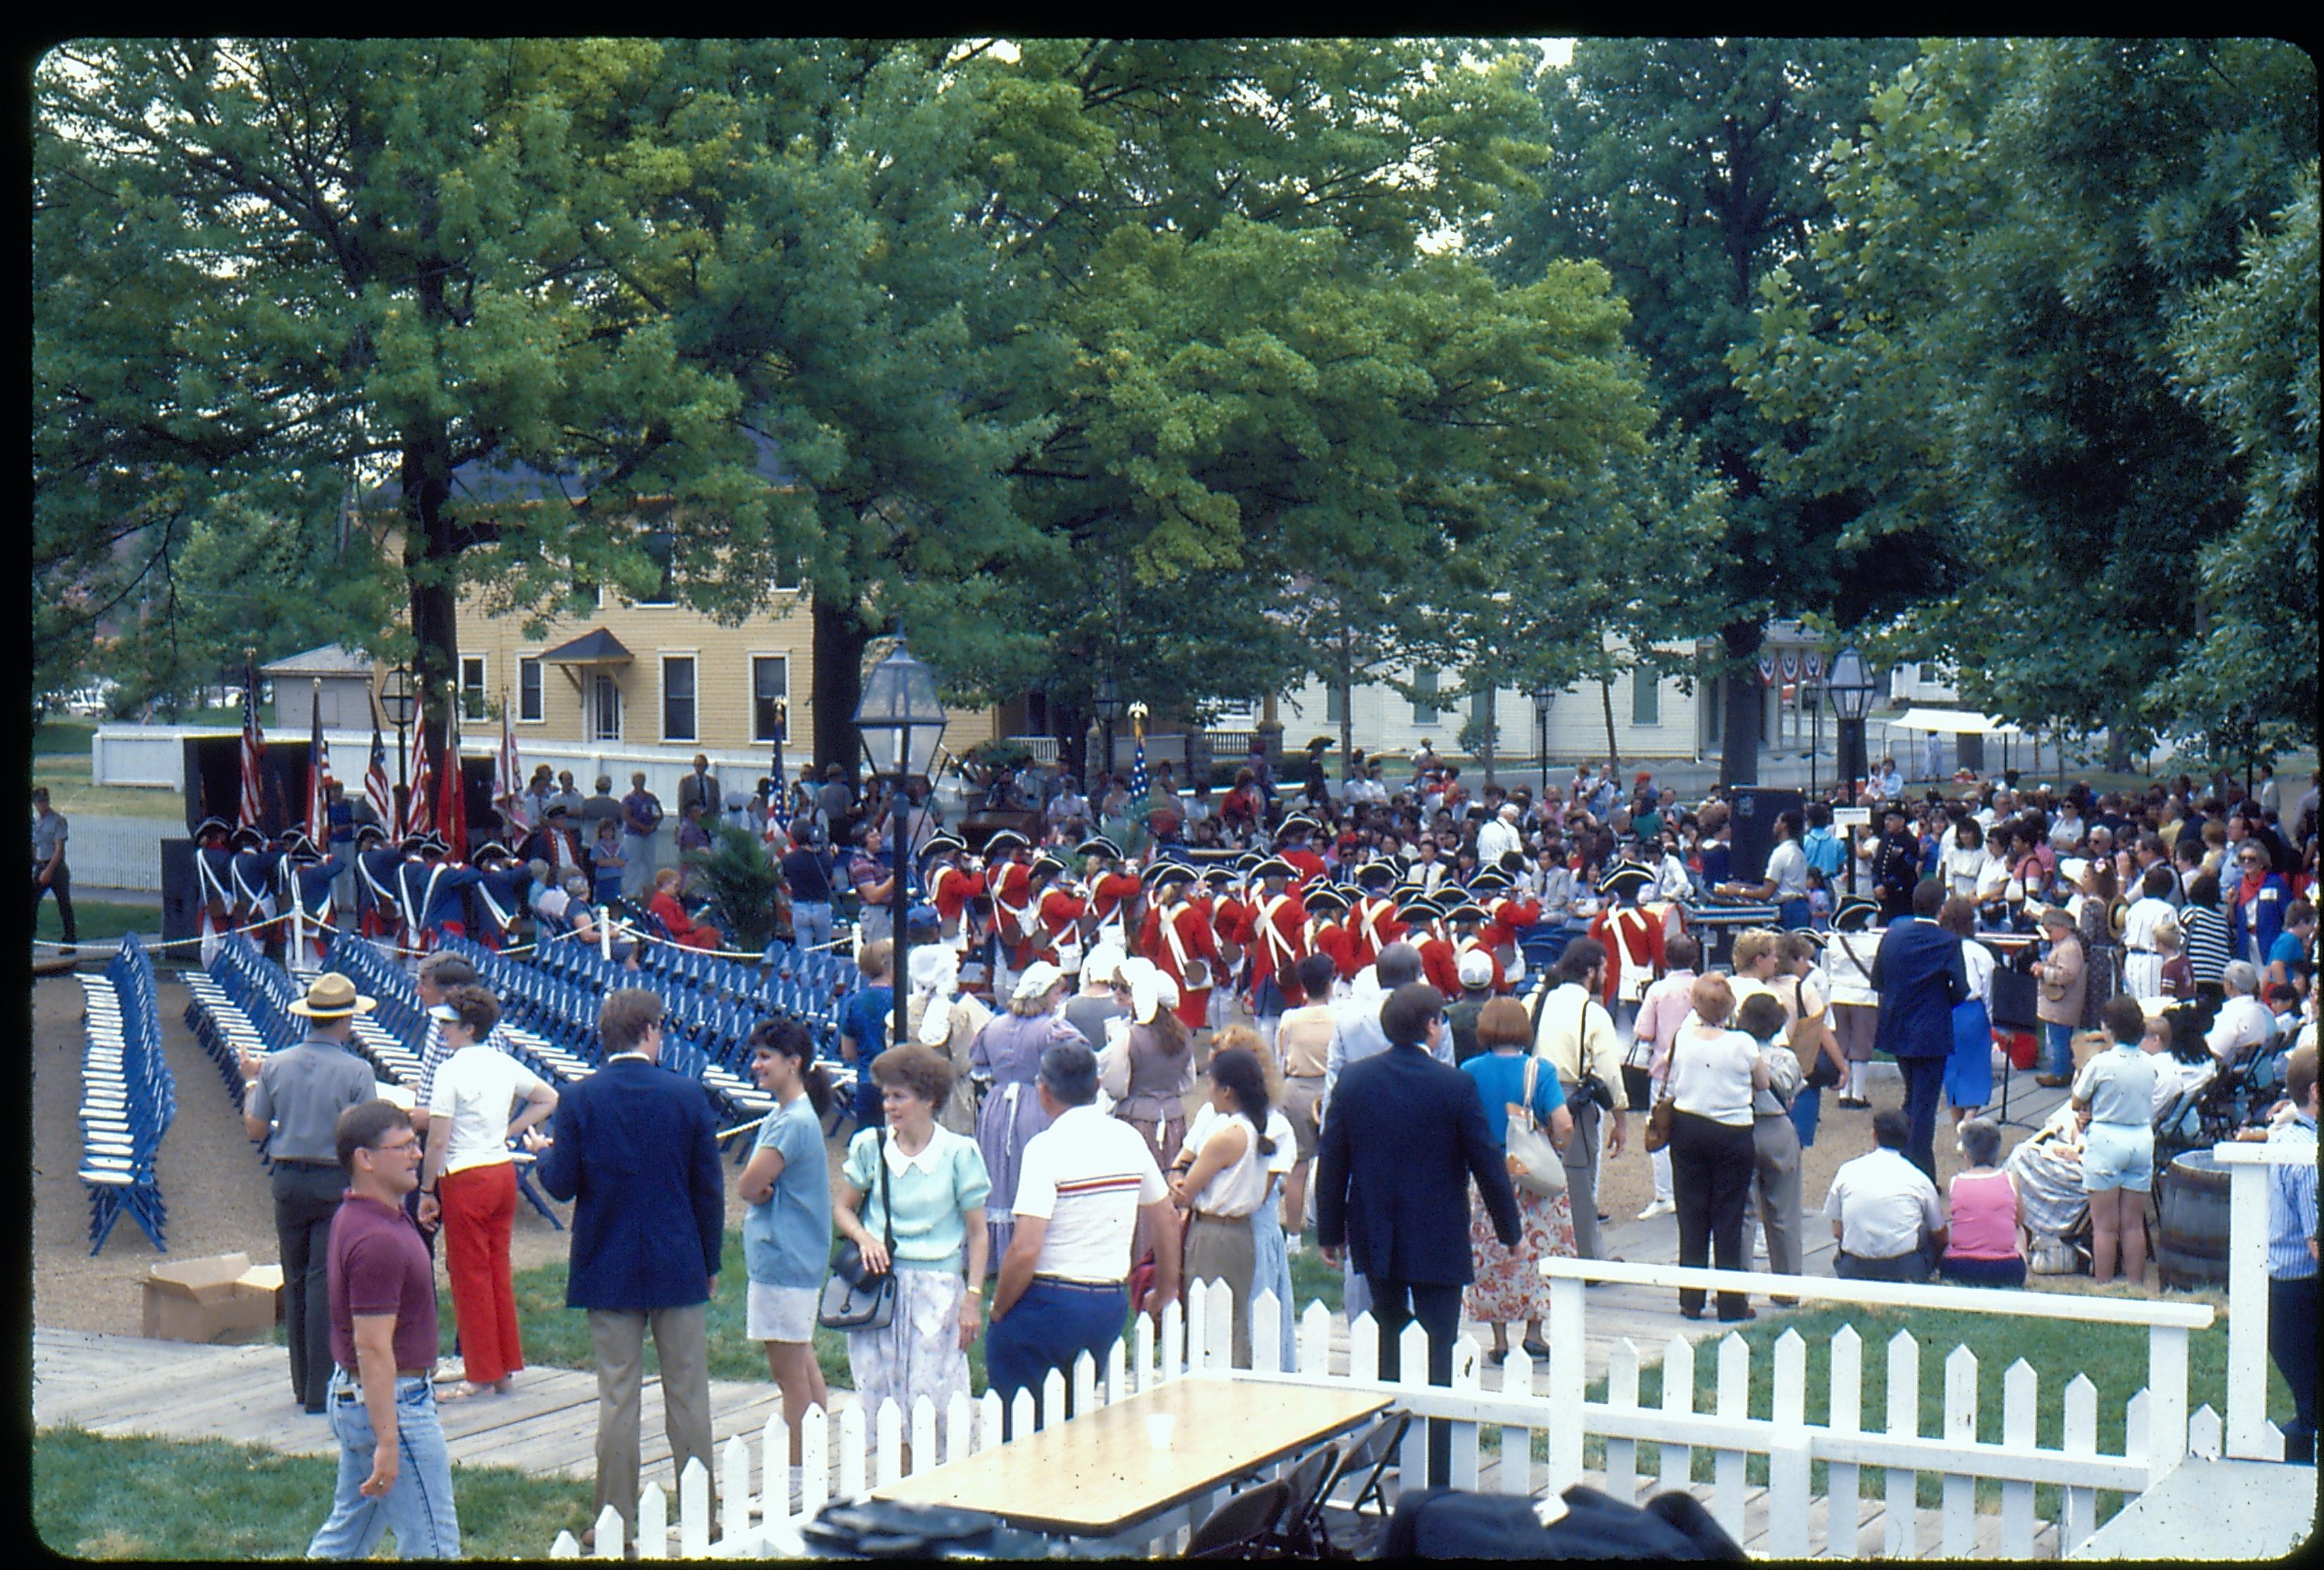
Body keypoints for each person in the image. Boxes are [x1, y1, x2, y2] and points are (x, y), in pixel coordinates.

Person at [534, 989, 724, 1543]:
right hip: (677, 1258)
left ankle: (612, 1516)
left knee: (618, 1395)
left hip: (608, 1262)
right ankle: (700, 1514)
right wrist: (709, 1260)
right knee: (688, 1391)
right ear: (649, 1029)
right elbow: (708, 1190)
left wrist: (544, 1153)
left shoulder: (579, 1097)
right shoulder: (687, 1095)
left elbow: (562, 1184)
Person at [1318, 982, 1520, 1486]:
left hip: (1376, 1224)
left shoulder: (1356, 1080)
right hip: (1437, 1227)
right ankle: (1439, 1458)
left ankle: (1391, 1447)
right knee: (1441, 1342)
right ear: (1432, 1025)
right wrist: (1508, 1228)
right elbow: (1486, 1163)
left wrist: (1329, 1230)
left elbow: (1333, 1162)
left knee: (1387, 1329)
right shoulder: (1453, 1085)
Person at [987, 1040, 1181, 1432]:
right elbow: (1165, 1216)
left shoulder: (1046, 1148)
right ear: (1097, 1085)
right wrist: (1166, 1287)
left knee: (1019, 1423)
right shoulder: (1127, 1138)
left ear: (1044, 1090)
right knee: (1071, 1419)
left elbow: (1025, 1249)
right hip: (1108, 1302)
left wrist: (998, 1307)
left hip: (1050, 1299)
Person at [304, 1100, 460, 1558]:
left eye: (415, 1144)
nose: (416, 1155)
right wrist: (388, 1441)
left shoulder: (369, 1217)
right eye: (403, 1147)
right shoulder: (377, 1240)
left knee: (348, 1536)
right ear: (365, 1159)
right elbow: (372, 1347)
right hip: (393, 1403)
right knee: (433, 1544)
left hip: (359, 1398)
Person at [835, 1044, 990, 1471]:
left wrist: (972, 1298)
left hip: (937, 1290)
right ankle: (897, 1488)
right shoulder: (871, 1146)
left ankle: (937, 1486)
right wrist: (864, 1238)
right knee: (882, 1395)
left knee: (931, 1398)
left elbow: (978, 1234)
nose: (889, 1106)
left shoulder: (959, 1153)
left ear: (929, 1100)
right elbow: (843, 1207)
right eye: (885, 1096)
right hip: (881, 1287)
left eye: (899, 1097)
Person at [241, 972, 382, 1415]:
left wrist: (250, 1082)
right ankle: (321, 1388)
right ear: (346, 1022)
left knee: (296, 1277)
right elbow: (365, 1135)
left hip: (288, 1177)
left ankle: (301, 1383)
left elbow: (256, 1128)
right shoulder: (357, 1070)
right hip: (333, 1179)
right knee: (324, 1282)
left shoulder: (276, 1065)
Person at [415, 984, 557, 1400]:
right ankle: (504, 1366)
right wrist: (506, 1133)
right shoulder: (503, 1062)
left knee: (469, 1275)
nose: (443, 1030)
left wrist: (427, 1189)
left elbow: (438, 1141)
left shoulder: (451, 1071)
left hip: (464, 1175)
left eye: (450, 1024)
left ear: (469, 1027)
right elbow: (548, 1098)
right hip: (500, 1171)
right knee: (496, 1271)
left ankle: (480, 1372)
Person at [736, 1019, 833, 1507]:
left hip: (783, 1260)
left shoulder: (791, 1121)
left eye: (766, 1057)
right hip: (797, 1258)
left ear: (793, 1062)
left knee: (789, 1377)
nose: (756, 1065)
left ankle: (795, 1482)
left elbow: (749, 1185)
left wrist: (760, 1190)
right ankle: (814, 1468)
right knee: (805, 1364)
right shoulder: (797, 1116)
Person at [1460, 996, 1574, 1365]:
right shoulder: (1539, 1071)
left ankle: (1499, 1339)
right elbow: (1564, 1122)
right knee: (1541, 1252)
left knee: (1493, 1253)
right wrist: (1558, 1148)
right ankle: (1535, 1334)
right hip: (1532, 1176)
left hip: (1488, 1170)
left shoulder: (1470, 1070)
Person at [1665, 974, 1770, 1321]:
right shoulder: (1743, 1043)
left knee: (1691, 1215)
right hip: (1732, 1130)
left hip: (1689, 1125)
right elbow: (1763, 1082)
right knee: (1729, 1216)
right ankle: (1731, 1302)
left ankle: (1690, 1299)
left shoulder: (1683, 1038)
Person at [1169, 1043, 1277, 1368]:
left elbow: (1185, 1192)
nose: (1209, 1092)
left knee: (1208, 1316)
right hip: (1239, 1233)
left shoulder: (1226, 1137)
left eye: (1212, 1085)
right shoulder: (1253, 1128)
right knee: (1232, 1314)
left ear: (1227, 1090)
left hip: (1214, 1232)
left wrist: (1176, 1180)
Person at [971, 961, 1079, 1261]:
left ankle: (997, 1252)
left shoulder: (993, 1026)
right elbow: (1079, 1059)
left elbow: (980, 1068)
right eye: (1057, 994)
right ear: (1044, 995)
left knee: (999, 1175)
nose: (1059, 1000)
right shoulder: (1052, 1029)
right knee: (1031, 1175)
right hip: (1036, 1105)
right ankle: (1031, 1249)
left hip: (996, 1108)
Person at [1529, 938, 1628, 1261]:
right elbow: (1611, 1073)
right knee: (1580, 1181)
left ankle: (1546, 1249)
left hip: (1539, 1093)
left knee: (1540, 1177)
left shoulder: (1542, 1001)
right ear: (1590, 971)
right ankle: (1588, 1258)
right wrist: (1620, 1117)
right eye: (1603, 968)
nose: (1606, 974)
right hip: (1574, 1098)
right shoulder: (1593, 1013)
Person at [1873, 879, 1969, 1177]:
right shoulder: (1947, 941)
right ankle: (1920, 1172)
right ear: (1941, 909)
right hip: (1931, 1031)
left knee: (1913, 1097)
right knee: (1924, 1105)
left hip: (1898, 1027)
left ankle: (1897, 1155)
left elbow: (1877, 980)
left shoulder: (1892, 936)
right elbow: (1962, 989)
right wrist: (1943, 1002)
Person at [2072, 995, 2160, 1286]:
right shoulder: (2150, 1063)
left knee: (2105, 1228)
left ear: (2110, 1028)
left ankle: (2104, 1288)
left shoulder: (2101, 1063)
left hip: (2107, 1141)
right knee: (2134, 1225)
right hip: (2141, 1140)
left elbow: (2077, 1100)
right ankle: (2136, 1286)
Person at [2258, 1043, 2317, 1463]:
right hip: (2302, 1294)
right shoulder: (2307, 1157)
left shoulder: (2287, 1134)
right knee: (2312, 1410)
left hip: (2286, 1291)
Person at [1735, 991, 1805, 1298]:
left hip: (1742, 1127)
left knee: (1743, 1212)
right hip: (1777, 1126)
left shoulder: (1735, 1054)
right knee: (1784, 1211)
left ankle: (1739, 1286)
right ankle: (1787, 1285)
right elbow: (1793, 1094)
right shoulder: (1786, 1058)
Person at [1825, 1107, 1947, 1281]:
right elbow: (1940, 1233)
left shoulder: (1847, 1171)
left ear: (1874, 1135)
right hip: (1904, 1268)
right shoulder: (1919, 1179)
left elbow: (1837, 1231)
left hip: (1854, 1267)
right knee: (1927, 1229)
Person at [1631, 932, 1703, 1220]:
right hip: (1700, 1067)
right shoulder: (1705, 987)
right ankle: (1694, 1190)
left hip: (1665, 1069)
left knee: (1660, 1128)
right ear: (1695, 958)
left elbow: (1643, 1032)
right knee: (1697, 1129)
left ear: (1666, 958)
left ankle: (1665, 1194)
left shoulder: (1658, 991)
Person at [1274, 953, 1340, 1236]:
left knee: (1298, 1168)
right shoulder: (1340, 1015)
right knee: (1333, 1164)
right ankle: (1328, 1227)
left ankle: (1293, 1236)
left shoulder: (1290, 1018)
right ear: (1330, 983)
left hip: (1297, 1088)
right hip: (1330, 1087)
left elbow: (1281, 1056)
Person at [1938, 1118, 2026, 1287]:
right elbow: (2020, 1219)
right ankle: (2020, 1278)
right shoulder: (2010, 1179)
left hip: (1959, 1267)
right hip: (2006, 1269)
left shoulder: (1955, 1182)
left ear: (1966, 1154)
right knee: (2019, 1229)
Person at [1938, 896, 1995, 1128]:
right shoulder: (1980, 953)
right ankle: (1970, 1119)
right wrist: (1993, 1020)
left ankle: (1958, 1124)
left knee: (1951, 1068)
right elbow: (1990, 989)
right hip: (1974, 1012)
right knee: (1976, 1069)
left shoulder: (1940, 950)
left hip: (1947, 1011)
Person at [838, 939, 897, 1131]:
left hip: (866, 1082)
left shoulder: (853, 1002)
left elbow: (848, 1052)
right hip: (897, 1083)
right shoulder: (902, 1000)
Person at [30, 786, 75, 953]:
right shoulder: (35, 821)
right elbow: (35, 845)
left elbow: (59, 850)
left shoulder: (57, 821)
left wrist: (48, 871)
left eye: (44, 801)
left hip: (56, 868)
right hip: (40, 865)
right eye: (38, 801)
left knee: (64, 905)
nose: (41, 804)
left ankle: (70, 942)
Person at [648, 866, 723, 950]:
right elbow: (671, 926)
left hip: (675, 937)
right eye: (675, 886)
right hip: (676, 940)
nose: (677, 890)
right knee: (708, 932)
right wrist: (690, 926)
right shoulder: (663, 902)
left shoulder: (659, 899)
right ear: (667, 884)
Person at [619, 772, 662, 900]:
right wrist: (642, 827)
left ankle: (649, 890)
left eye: (642, 780)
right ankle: (632, 892)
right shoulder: (629, 799)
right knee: (633, 862)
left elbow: (659, 814)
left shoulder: (651, 798)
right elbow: (627, 816)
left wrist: (652, 827)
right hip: (634, 835)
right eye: (637, 780)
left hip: (650, 835)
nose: (640, 783)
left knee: (649, 862)